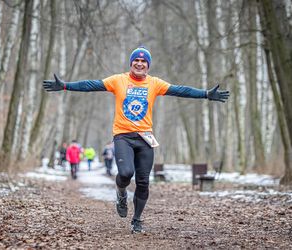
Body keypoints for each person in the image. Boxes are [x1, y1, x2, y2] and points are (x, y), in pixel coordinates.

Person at [43, 46, 229, 233]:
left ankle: (137, 219)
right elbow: (91, 85)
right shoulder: (118, 80)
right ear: (131, 63)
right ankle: (121, 193)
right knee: (125, 173)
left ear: (148, 66)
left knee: (143, 182)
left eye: (143, 62)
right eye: (136, 61)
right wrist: (66, 85)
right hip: (123, 136)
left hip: (145, 138)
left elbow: (181, 90)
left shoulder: (154, 83)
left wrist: (205, 94)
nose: (139, 64)